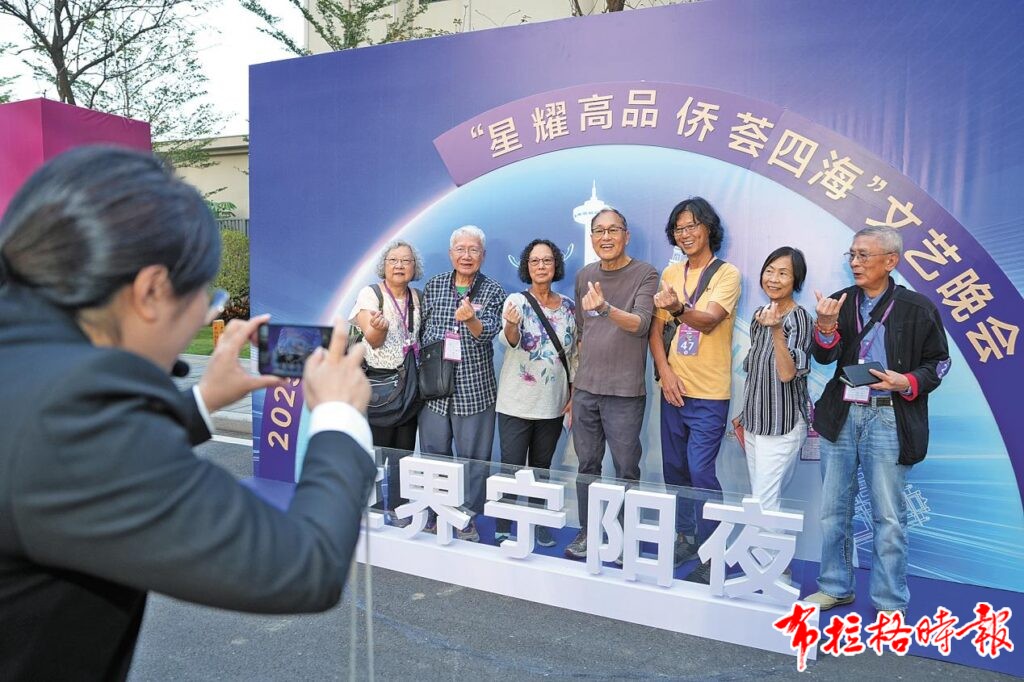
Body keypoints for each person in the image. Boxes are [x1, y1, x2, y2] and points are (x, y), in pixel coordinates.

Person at [0, 146, 376, 680]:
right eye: (207, 296)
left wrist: (202, 401)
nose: (205, 314)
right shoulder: (70, 417)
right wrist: (339, 417)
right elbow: (303, 566)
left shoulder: (28, 364)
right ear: (151, 290)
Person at [805, 226, 950, 616]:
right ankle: (835, 586)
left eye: (864, 255)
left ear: (890, 261)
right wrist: (825, 327)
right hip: (841, 413)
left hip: (889, 415)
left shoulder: (917, 307)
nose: (855, 262)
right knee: (833, 509)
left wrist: (908, 381)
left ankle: (889, 601)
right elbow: (824, 357)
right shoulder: (840, 302)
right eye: (852, 255)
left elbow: (939, 362)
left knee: (888, 514)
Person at [650, 197, 741, 583]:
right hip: (673, 389)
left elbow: (708, 321)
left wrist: (677, 309)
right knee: (674, 470)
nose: (685, 234)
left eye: (692, 226)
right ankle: (684, 538)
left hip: (709, 393)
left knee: (701, 471)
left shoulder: (727, 274)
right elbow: (656, 332)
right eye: (679, 228)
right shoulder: (670, 273)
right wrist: (665, 373)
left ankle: (713, 551)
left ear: (708, 229)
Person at [565, 208, 659, 560]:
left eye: (613, 230)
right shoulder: (585, 275)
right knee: (587, 466)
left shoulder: (646, 274)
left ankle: (623, 538)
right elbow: (582, 332)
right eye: (599, 231)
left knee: (626, 469)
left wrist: (605, 308)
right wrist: (575, 388)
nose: (606, 237)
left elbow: (640, 324)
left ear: (626, 235)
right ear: (591, 238)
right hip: (587, 389)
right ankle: (588, 532)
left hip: (624, 393)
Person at [419, 225, 506, 542]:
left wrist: (471, 319)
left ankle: (465, 517)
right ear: (450, 253)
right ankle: (436, 511)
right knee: (434, 454)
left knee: (474, 460)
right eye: (460, 249)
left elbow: (488, 334)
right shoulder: (434, 285)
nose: (466, 255)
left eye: (473, 250)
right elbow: (421, 330)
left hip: (475, 389)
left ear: (483, 255)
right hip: (434, 389)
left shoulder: (493, 290)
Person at [495, 239, 578, 547]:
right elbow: (510, 340)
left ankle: (538, 523)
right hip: (516, 402)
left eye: (547, 260)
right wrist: (511, 325)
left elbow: (574, 355)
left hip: (553, 404)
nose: (541, 266)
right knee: (512, 467)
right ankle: (504, 524)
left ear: (556, 265)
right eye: (534, 261)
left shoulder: (568, 307)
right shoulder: (516, 301)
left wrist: (574, 395)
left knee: (542, 469)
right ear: (526, 267)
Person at [349, 239, 425, 525]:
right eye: (393, 260)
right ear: (384, 265)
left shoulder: (418, 297)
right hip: (378, 389)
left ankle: (398, 507)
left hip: (409, 387)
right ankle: (372, 508)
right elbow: (372, 340)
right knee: (376, 452)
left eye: (406, 261)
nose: (399, 265)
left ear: (414, 267)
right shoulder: (370, 295)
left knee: (403, 454)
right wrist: (378, 329)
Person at [734, 247, 813, 517]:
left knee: (764, 503)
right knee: (760, 501)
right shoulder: (760, 316)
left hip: (782, 425)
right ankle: (770, 546)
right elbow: (757, 370)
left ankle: (767, 547)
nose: (773, 279)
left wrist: (777, 329)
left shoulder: (799, 318)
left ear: (796, 280)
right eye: (769, 271)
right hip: (755, 422)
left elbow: (787, 373)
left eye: (783, 273)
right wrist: (745, 413)